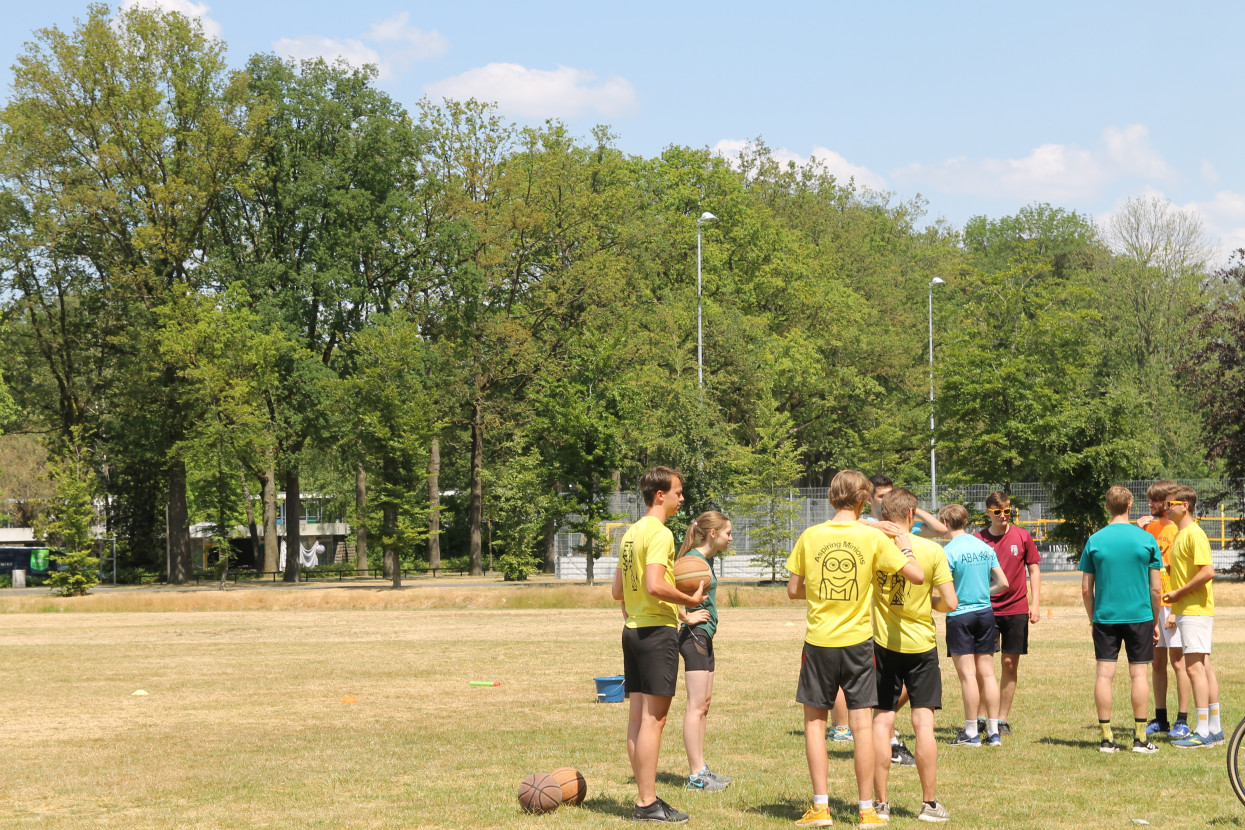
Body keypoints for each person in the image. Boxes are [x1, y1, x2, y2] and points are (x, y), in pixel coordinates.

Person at [787, 470, 925, 828]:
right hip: (859, 643)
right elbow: (916, 575)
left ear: (832, 496)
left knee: (816, 726)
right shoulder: (872, 538)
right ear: (865, 499)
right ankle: (867, 810)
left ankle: (821, 808)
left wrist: (823, 594)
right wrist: (902, 542)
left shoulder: (811, 535)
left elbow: (793, 590)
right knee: (862, 727)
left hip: (818, 641)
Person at [611, 466, 706, 823]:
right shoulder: (661, 534)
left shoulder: (631, 533)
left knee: (638, 719)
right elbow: (653, 584)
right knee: (655, 720)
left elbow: (618, 591)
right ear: (660, 495)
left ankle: (644, 797)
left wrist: (639, 614)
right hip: (655, 635)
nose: (682, 498)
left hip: (633, 631)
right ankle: (646, 802)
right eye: (678, 492)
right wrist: (688, 599)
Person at [870, 488, 957, 824]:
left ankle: (881, 803)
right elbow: (950, 603)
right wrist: (928, 604)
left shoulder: (875, 545)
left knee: (882, 721)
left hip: (883, 644)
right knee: (923, 724)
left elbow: (856, 527)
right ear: (911, 514)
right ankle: (929, 804)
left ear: (884, 516)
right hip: (921, 646)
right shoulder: (931, 550)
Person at [1079, 486, 1163, 754]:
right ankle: (1140, 739)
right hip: (1139, 615)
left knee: (1104, 675)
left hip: (1106, 616)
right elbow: (1157, 589)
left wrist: (1094, 618)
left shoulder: (1095, 540)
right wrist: (1155, 621)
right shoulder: (1146, 539)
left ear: (1107, 507)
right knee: (1139, 674)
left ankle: (1106, 738)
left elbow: (1085, 589)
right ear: (1130, 506)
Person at [939, 503, 1008, 748]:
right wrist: (983, 592)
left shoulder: (948, 552)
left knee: (968, 675)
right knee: (988, 673)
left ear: (945, 524)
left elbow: (945, 592)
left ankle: (971, 732)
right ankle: (994, 731)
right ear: (965, 521)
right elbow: (1003, 582)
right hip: (985, 613)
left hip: (960, 615)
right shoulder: (983, 546)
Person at [1163, 485, 1224, 748]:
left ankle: (1202, 732)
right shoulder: (1180, 534)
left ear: (1184, 505)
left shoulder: (1194, 534)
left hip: (1195, 610)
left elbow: (1208, 571)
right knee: (1204, 666)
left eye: (1169, 504)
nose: (1165, 509)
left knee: (1193, 668)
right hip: (1189, 609)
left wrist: (1179, 593)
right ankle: (1215, 728)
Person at [974, 491, 1041, 735]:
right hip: (986, 609)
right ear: (988, 513)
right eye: (998, 512)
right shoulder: (978, 539)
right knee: (984, 667)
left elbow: (1033, 569)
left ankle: (1001, 720)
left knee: (1010, 663)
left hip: (1016, 609)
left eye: (1007, 511)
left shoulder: (1022, 536)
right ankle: (981, 717)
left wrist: (1035, 604)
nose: (1003, 516)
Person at [677, 510, 733, 792]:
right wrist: (685, 617)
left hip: (704, 635)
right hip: (693, 635)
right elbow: (665, 589)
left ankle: (702, 769)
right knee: (695, 706)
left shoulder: (704, 560)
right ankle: (696, 775)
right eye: (728, 533)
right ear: (713, 533)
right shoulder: (691, 562)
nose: (730, 538)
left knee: (704, 705)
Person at [1137, 481, 1192, 740]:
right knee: (1156, 662)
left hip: (1171, 603)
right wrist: (1137, 530)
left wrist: (1174, 609)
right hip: (1153, 601)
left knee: (1178, 661)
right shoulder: (1148, 527)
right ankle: (1161, 719)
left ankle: (1183, 720)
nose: (1150, 505)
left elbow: (1179, 571)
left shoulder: (1175, 529)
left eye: (1155, 501)